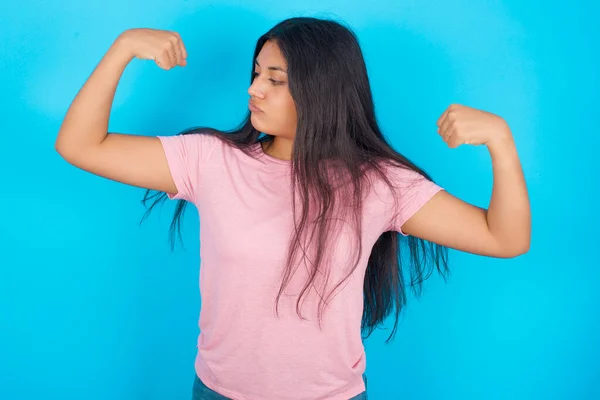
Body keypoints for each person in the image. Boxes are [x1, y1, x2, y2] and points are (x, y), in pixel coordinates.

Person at [55, 16, 530, 400]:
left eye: (276, 80)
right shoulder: (211, 161)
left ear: (322, 90)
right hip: (220, 393)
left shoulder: (377, 184)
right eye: (257, 73)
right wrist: (121, 48)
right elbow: (81, 145)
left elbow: (504, 238)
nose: (254, 89)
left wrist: (501, 144)